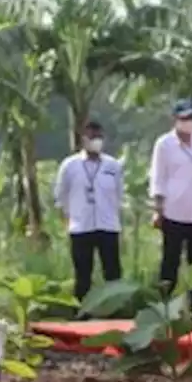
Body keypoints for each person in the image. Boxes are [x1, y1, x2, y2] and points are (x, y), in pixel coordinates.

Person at [149, 99, 192, 308]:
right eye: (185, 118)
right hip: (174, 210)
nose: (189, 122)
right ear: (175, 119)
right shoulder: (164, 144)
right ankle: (165, 306)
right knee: (170, 261)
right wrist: (158, 209)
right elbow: (158, 177)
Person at [55, 121, 123, 302]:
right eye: (92, 137)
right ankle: (82, 312)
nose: (96, 141)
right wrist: (68, 220)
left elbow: (118, 194)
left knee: (113, 273)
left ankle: (114, 311)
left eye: (99, 137)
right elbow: (61, 197)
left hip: (108, 225)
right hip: (81, 226)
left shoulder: (113, 166)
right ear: (83, 139)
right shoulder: (70, 166)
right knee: (83, 274)